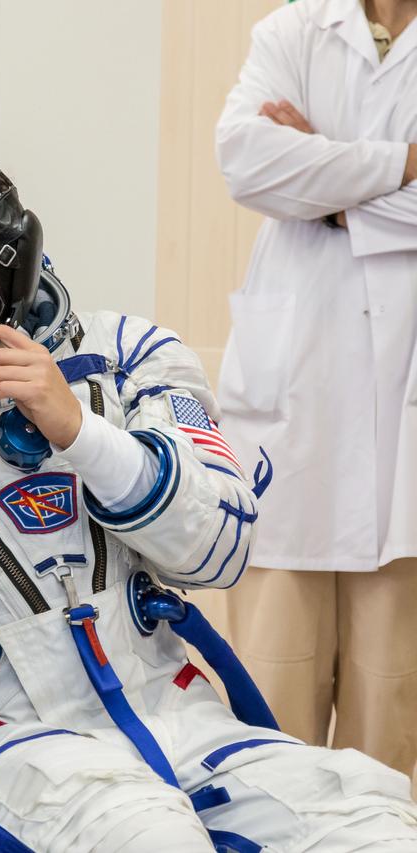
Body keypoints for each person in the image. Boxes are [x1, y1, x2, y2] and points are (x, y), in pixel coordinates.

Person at [0, 142, 417, 851]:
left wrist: (81, 433)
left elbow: (222, 551)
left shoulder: (126, 358)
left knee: (375, 822)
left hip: (173, 715)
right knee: (148, 837)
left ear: (3, 272)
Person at [214, 0, 417, 776]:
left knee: (391, 734)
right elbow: (245, 159)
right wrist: (404, 161)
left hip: (403, 433)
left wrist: (325, 178)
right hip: (291, 424)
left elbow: (288, 173)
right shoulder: (293, 30)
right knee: (269, 720)